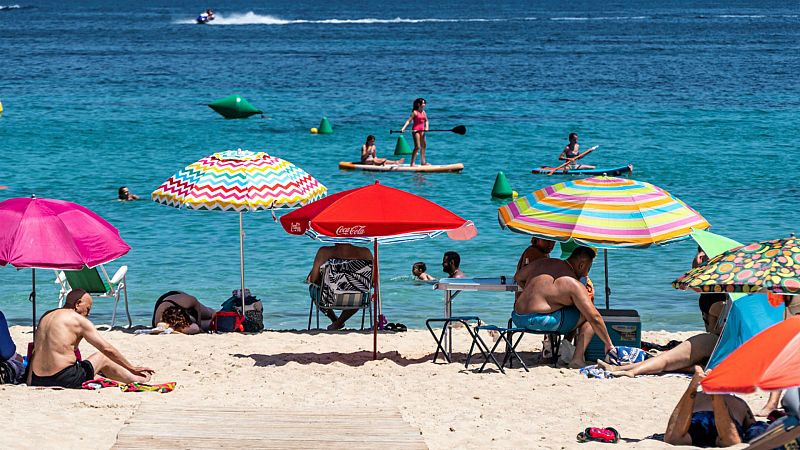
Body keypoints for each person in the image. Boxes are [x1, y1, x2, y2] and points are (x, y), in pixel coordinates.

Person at [28, 289, 154, 389]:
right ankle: (139, 379)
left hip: (38, 378)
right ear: (78, 304)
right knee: (102, 357)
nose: (88, 314)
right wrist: (132, 368)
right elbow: (106, 349)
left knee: (91, 368)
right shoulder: (78, 320)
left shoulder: (46, 315)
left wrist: (29, 380)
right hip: (64, 378)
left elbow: (36, 350)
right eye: (88, 309)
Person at [513, 246, 612, 368]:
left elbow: (518, 277)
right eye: (588, 268)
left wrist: (532, 290)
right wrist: (608, 344)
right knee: (588, 316)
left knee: (560, 310)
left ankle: (555, 349)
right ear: (581, 265)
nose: (587, 273)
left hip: (517, 317)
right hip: (540, 322)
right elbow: (595, 317)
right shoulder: (573, 284)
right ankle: (577, 359)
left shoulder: (544, 262)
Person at [665, 366, 765, 447]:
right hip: (725, 421)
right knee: (732, 442)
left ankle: (696, 387)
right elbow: (753, 427)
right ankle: (714, 393)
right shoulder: (739, 403)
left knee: (674, 438)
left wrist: (693, 389)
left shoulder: (698, 397)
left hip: (698, 418)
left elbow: (674, 423)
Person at [308, 243, 373, 330]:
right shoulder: (366, 252)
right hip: (357, 300)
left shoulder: (324, 252)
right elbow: (372, 282)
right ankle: (338, 322)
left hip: (328, 299)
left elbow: (313, 279)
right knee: (359, 290)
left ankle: (335, 320)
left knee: (312, 289)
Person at [596, 331, 720, 377]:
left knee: (665, 360)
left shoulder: (720, 305)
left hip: (714, 343)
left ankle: (630, 370)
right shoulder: (733, 304)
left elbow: (714, 330)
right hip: (723, 358)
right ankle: (618, 368)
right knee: (670, 363)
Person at [693, 247, 727, 332]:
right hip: (711, 298)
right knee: (713, 328)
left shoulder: (701, 259)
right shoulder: (718, 258)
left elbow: (695, 277)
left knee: (712, 328)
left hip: (709, 298)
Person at [400, 98, 429, 166]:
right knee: (417, 147)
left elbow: (426, 121)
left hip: (422, 130)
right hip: (416, 130)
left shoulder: (424, 112)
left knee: (424, 146)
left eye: (425, 103)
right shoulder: (415, 112)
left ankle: (423, 162)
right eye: (423, 103)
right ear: (419, 104)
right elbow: (408, 121)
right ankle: (412, 163)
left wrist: (427, 127)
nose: (424, 104)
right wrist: (403, 128)